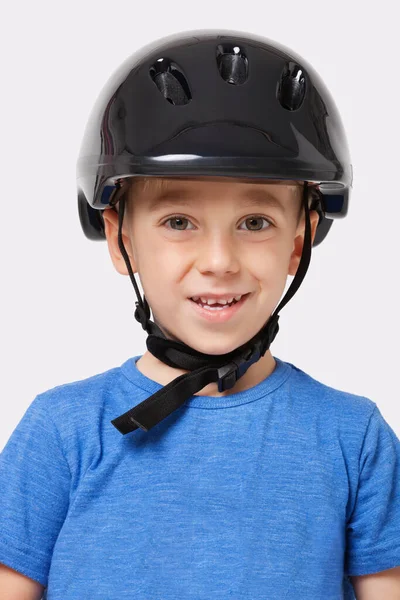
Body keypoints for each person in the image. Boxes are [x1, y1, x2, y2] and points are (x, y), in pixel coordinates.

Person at [1, 29, 400, 600]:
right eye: (179, 221)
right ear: (122, 241)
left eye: (255, 222)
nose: (218, 262)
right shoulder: (59, 433)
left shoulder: (353, 439)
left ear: (299, 242)